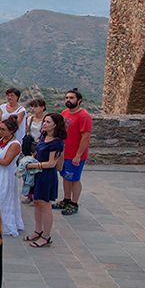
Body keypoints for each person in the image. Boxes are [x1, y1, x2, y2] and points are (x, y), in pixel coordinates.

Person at [26, 113, 65, 248]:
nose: (44, 124)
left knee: (45, 204)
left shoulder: (56, 143)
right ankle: (38, 230)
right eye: (44, 121)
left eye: (48, 122)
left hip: (46, 176)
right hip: (37, 174)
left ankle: (46, 236)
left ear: (55, 124)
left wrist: (32, 165)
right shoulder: (43, 137)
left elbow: (51, 164)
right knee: (37, 202)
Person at [56, 88, 92, 216]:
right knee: (66, 177)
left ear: (79, 100)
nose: (68, 100)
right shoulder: (65, 113)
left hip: (75, 155)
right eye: (66, 98)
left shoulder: (84, 116)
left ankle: (74, 203)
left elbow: (85, 137)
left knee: (75, 179)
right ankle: (66, 199)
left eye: (71, 98)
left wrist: (78, 155)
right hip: (64, 153)